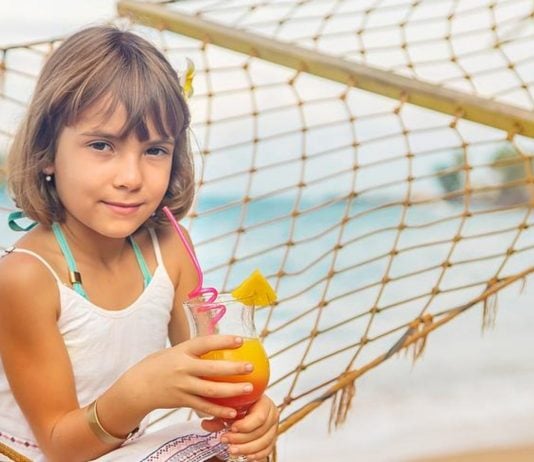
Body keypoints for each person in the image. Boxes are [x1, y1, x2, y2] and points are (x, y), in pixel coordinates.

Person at [0, 25, 279, 462]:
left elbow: (214, 377)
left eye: (154, 151)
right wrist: (139, 392)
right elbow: (58, 446)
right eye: (101, 145)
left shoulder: (170, 246)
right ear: (47, 153)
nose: (131, 178)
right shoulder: (25, 277)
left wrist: (251, 418)